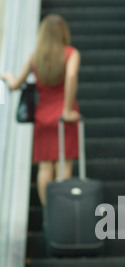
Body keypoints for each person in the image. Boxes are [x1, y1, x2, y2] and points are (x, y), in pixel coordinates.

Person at [1, 14, 80, 206]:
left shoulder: (34, 58)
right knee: (64, 164)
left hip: (43, 116)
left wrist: (7, 76)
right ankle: (62, 210)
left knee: (45, 168)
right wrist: (67, 110)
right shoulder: (70, 53)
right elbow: (70, 76)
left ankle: (48, 211)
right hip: (63, 116)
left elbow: (15, 84)